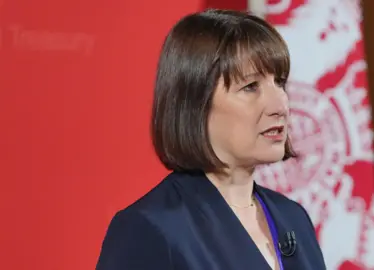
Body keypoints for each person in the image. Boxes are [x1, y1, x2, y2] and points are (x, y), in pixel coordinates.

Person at [96, 8, 326, 270]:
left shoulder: (293, 218)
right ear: (196, 102)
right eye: (250, 87)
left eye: (280, 82)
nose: (280, 105)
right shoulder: (150, 228)